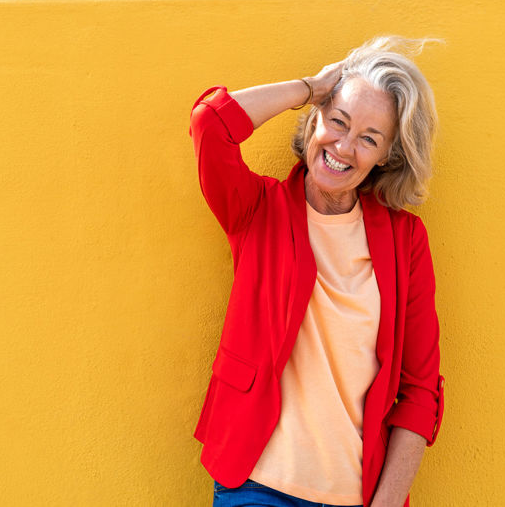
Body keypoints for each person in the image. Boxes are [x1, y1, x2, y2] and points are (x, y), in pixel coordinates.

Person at [188, 36, 445, 507]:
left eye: (369, 137)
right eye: (337, 121)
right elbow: (210, 123)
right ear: (314, 121)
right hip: (256, 486)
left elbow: (420, 389)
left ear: (386, 156)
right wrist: (310, 88)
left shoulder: (405, 239)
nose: (343, 147)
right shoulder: (258, 209)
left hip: (358, 495)